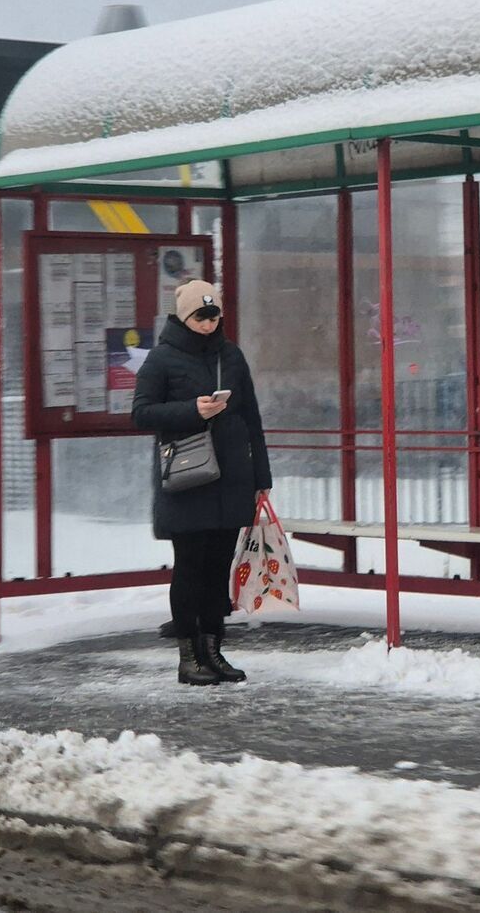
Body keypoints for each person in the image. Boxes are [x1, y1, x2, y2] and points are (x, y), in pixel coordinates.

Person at [132, 280, 272, 686]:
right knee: (190, 567)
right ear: (183, 317)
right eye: (200, 317)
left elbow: (252, 419)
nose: (209, 324)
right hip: (187, 479)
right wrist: (192, 410)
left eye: (214, 316)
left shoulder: (232, 356)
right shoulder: (161, 359)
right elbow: (141, 413)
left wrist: (261, 477)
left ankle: (214, 651)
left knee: (217, 569)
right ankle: (188, 655)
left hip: (231, 478)